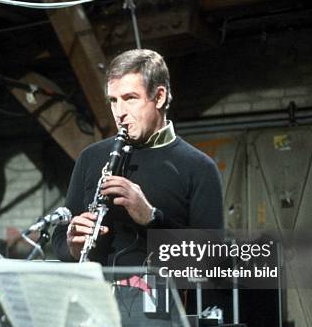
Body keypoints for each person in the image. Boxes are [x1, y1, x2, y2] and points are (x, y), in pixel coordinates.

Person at [52, 48, 224, 267]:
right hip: (99, 296)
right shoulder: (91, 157)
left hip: (165, 298)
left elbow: (212, 257)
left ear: (159, 97)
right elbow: (59, 240)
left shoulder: (199, 167)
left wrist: (152, 218)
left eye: (130, 98)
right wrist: (72, 247)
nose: (119, 112)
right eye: (113, 101)